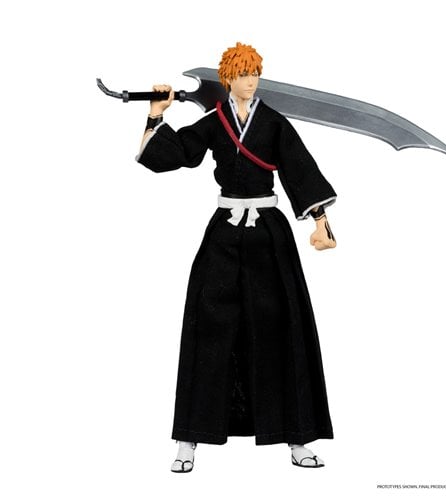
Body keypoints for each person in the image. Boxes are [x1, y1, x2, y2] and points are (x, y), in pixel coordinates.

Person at [136, 43, 337, 472]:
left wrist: (320, 222)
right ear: (227, 78)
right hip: (224, 233)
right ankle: (189, 438)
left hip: (268, 234)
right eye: (243, 74)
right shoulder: (215, 121)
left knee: (283, 327)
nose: (251, 82)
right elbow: (176, 154)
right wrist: (156, 115)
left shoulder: (273, 122)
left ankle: (297, 438)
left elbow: (299, 167)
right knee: (208, 326)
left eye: (255, 74)